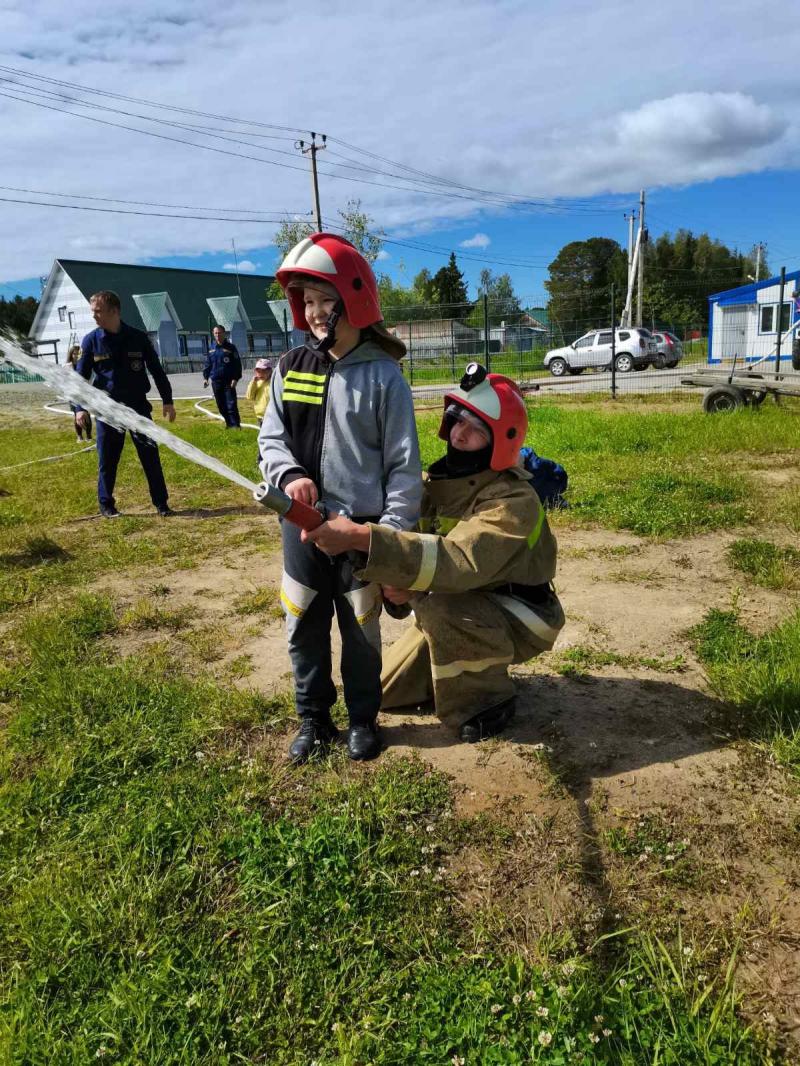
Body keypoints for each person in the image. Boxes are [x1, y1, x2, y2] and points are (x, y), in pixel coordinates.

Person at [303, 363, 565, 743]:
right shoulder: (438, 488)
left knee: (443, 611)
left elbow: (459, 561)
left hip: (524, 613)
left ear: (500, 441)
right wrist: (395, 584)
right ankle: (462, 661)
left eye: (476, 429)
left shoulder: (513, 500)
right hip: (463, 598)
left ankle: (487, 700)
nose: (459, 435)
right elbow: (414, 547)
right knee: (387, 693)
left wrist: (364, 539)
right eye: (457, 420)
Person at [259, 233, 422, 764]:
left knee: (361, 629)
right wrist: (288, 478)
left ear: (356, 303)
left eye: (327, 303)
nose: (315, 313)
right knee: (302, 623)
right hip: (301, 527)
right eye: (307, 302)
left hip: (361, 532)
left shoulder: (384, 378)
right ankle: (313, 718)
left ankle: (361, 720)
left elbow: (402, 469)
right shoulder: (290, 367)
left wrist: (390, 542)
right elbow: (271, 439)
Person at [75, 290, 176, 518]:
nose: (94, 316)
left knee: (150, 457)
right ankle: (106, 504)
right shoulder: (91, 341)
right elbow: (78, 379)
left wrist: (167, 401)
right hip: (107, 410)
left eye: (98, 311)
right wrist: (79, 408)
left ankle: (161, 503)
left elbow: (157, 371)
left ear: (114, 311)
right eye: (93, 312)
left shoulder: (138, 338)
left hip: (137, 407)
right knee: (108, 460)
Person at [203, 325, 242, 428]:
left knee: (231, 405)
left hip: (228, 381)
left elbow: (237, 365)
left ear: (224, 333)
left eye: (219, 333)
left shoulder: (231, 348)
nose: (218, 335)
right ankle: (229, 424)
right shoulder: (211, 348)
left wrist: (235, 378)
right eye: (216, 333)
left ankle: (235, 426)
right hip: (216, 381)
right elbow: (208, 364)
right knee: (221, 406)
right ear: (213, 334)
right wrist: (205, 378)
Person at [246, 358, 273, 464]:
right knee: (263, 437)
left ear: (270, 371)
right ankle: (261, 459)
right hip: (261, 416)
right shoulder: (256, 383)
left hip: (273, 415)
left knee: (273, 438)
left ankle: (272, 457)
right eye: (258, 371)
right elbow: (249, 396)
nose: (261, 373)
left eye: (264, 371)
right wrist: (253, 383)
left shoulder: (273, 381)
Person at [66, 344, 91, 442]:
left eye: (78, 353)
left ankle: (88, 436)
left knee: (87, 414)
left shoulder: (85, 364)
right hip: (73, 394)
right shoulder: (67, 366)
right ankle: (79, 436)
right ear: (71, 355)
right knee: (76, 415)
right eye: (74, 354)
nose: (76, 355)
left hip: (85, 394)